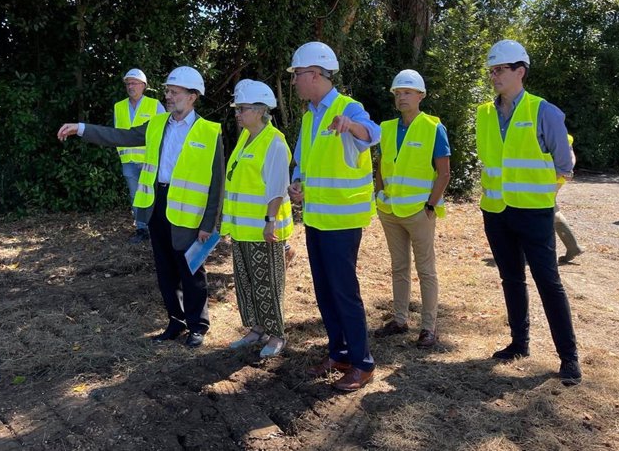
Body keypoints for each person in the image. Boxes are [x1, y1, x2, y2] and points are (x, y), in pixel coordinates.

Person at [58, 66, 224, 348]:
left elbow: (216, 182)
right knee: (165, 270)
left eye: (174, 92)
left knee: (191, 270)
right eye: (167, 91)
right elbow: (120, 136)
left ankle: (198, 326)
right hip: (157, 206)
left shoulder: (209, 132)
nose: (168, 97)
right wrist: (82, 129)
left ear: (192, 96)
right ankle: (176, 322)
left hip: (188, 212)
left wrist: (209, 224)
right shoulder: (157, 124)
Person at [476, 39, 581, 386]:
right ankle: (519, 344)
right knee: (511, 279)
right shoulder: (485, 113)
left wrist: (542, 193)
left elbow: (564, 165)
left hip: (534, 214)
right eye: (492, 70)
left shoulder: (543, 111)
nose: (494, 76)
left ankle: (569, 359)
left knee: (548, 283)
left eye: (500, 70)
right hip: (496, 211)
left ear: (519, 71)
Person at [287, 41, 380, 392]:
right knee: (325, 291)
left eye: (297, 75)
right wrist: (298, 184)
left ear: (314, 74)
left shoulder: (347, 108)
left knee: (344, 292)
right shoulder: (310, 115)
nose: (295, 81)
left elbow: (373, 133)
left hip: (342, 220)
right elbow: (304, 162)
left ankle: (362, 363)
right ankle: (338, 353)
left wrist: (351, 127)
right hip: (316, 217)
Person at [374, 70, 450, 348]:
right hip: (390, 211)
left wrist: (430, 204)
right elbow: (381, 163)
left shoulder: (433, 128)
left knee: (426, 269)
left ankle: (429, 328)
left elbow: (444, 173)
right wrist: (379, 192)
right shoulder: (386, 128)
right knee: (399, 266)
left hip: (420, 212)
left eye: (407, 92)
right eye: (398, 93)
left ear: (420, 96)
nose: (402, 97)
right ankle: (399, 320)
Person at [221, 80, 293, 359]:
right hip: (242, 228)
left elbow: (277, 186)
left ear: (262, 110)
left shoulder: (274, 141)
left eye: (243, 108)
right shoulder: (245, 137)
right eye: (237, 108)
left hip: (264, 229)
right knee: (246, 281)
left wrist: (269, 220)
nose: (238, 113)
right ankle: (256, 328)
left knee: (268, 284)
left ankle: (277, 335)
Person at [114, 68, 165, 244]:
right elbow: (116, 133)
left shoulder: (155, 104)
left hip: (149, 161)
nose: (130, 86)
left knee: (153, 194)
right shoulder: (119, 107)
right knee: (135, 196)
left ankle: (157, 227)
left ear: (143, 86)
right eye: (128, 83)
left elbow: (163, 132)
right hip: (128, 161)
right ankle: (142, 229)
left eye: (134, 83)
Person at [555, 135, 584, 264]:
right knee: (551, 208)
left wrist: (564, 171)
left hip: (551, 178)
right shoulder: (562, 135)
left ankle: (573, 247)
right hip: (554, 177)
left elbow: (570, 155)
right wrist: (567, 171)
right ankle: (573, 247)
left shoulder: (553, 133)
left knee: (550, 209)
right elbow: (571, 155)